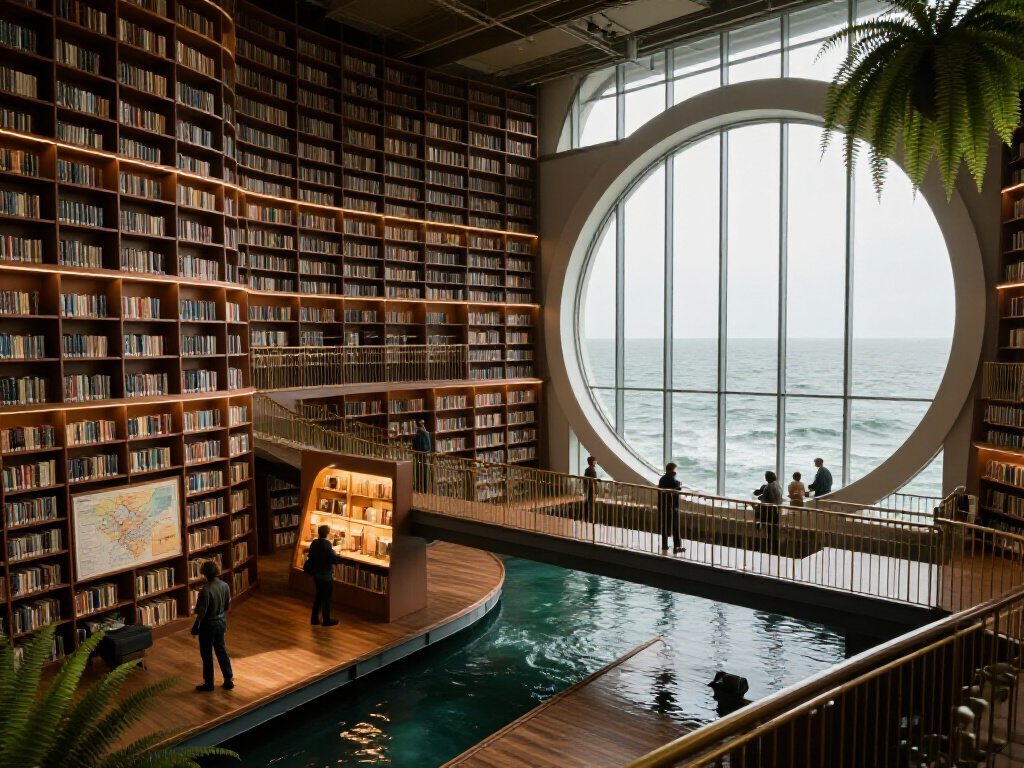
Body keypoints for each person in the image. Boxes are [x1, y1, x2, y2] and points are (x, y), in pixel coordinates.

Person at [192, 560, 233, 692]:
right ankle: (228, 679)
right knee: (221, 650)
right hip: (221, 622)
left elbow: (201, 611)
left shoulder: (205, 590)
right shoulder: (225, 585)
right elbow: (227, 606)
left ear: (204, 573)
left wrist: (196, 624)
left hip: (208, 625)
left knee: (207, 653)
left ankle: (209, 683)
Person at [304, 524, 345, 626]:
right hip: (325, 575)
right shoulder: (326, 544)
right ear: (327, 533)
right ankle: (326, 620)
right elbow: (332, 558)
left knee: (318, 596)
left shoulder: (314, 543)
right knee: (327, 598)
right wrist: (341, 558)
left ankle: (314, 619)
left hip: (316, 574)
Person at [658, 463, 684, 554]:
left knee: (665, 527)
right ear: (673, 470)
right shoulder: (672, 480)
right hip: (672, 507)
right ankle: (677, 546)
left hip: (663, 506)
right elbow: (678, 486)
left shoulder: (662, 479)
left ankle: (664, 545)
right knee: (675, 528)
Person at [754, 471, 783, 535]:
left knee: (769, 529)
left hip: (769, 510)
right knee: (774, 529)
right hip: (777, 509)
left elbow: (767, 498)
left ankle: (757, 529)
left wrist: (759, 498)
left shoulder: (768, 486)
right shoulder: (778, 485)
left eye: (766, 477)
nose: (765, 479)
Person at [412, 419, 432, 493]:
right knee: (424, 474)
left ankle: (421, 490)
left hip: (420, 456)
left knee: (420, 474)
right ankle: (424, 490)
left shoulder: (419, 435)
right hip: (426, 455)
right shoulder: (427, 433)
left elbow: (415, 447)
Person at [584, 456, 598, 523]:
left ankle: (588, 520)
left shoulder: (588, 470)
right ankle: (590, 521)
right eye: (594, 461)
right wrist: (596, 490)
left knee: (589, 506)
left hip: (589, 490)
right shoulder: (591, 470)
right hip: (591, 490)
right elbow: (594, 482)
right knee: (591, 507)